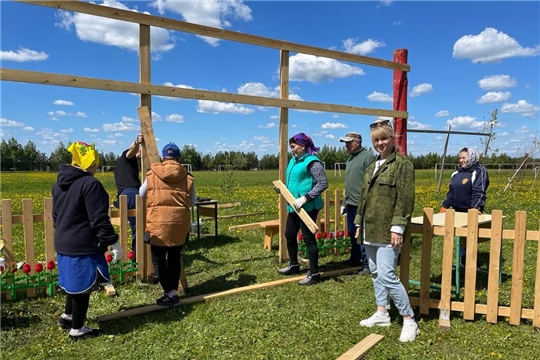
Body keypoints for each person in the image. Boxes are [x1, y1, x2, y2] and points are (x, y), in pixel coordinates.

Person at [354, 119, 419, 342]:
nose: (380, 143)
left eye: (384, 138)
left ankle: (409, 319)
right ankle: (382, 313)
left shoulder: (403, 165)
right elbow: (364, 197)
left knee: (388, 275)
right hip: (369, 228)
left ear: (392, 139)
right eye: (376, 140)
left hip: (388, 229)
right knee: (375, 273)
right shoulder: (372, 165)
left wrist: (398, 227)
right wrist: (358, 223)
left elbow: (405, 199)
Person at [53, 141, 122, 341]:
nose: (97, 167)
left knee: (71, 284)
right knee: (82, 287)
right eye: (96, 163)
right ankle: (77, 329)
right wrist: (114, 243)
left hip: (64, 241)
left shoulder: (58, 184)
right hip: (82, 244)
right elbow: (98, 219)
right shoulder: (90, 184)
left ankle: (68, 316)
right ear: (88, 162)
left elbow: (56, 216)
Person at [139, 143, 195, 306]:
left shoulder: (152, 174)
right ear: (178, 159)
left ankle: (170, 294)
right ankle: (173, 291)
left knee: (158, 259)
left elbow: (141, 194)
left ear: (163, 158)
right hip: (179, 224)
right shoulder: (188, 176)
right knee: (175, 257)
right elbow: (192, 202)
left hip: (158, 224)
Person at [277, 133, 328, 285]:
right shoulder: (293, 161)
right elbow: (293, 181)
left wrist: (305, 198)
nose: (292, 150)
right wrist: (283, 190)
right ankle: (293, 264)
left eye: (293, 147)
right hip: (294, 205)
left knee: (308, 240)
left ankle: (314, 273)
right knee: (289, 235)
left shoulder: (312, 162)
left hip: (307, 207)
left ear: (303, 146)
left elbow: (322, 183)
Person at [440, 147, 489, 265]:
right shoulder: (456, 173)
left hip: (471, 211)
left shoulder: (479, 171)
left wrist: (475, 207)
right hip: (457, 211)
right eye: (460, 158)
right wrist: (445, 206)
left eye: (463, 158)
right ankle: (463, 260)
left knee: (470, 238)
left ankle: (472, 263)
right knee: (460, 239)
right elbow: (451, 192)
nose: (461, 160)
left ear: (471, 157)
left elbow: (479, 191)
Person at [339, 131, 376, 274]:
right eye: (345, 143)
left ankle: (367, 264)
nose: (346, 145)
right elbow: (349, 183)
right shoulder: (350, 159)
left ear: (357, 142)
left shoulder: (368, 158)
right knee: (352, 232)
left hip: (362, 203)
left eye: (348, 142)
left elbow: (372, 181)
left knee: (363, 234)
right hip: (350, 203)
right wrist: (344, 202)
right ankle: (355, 258)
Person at [113, 134, 143, 256]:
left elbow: (132, 149)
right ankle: (137, 257)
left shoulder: (122, 165)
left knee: (136, 228)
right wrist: (137, 143)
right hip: (132, 195)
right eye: (140, 151)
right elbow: (131, 151)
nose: (141, 154)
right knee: (139, 228)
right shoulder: (127, 158)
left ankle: (136, 256)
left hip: (123, 197)